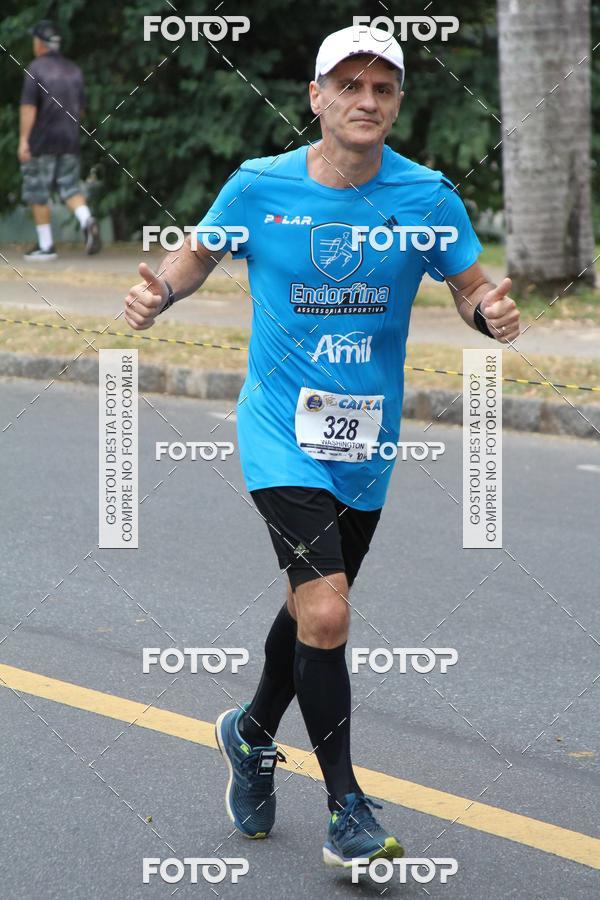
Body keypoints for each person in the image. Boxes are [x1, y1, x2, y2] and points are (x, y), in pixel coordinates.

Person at [124, 25, 520, 869]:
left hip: (366, 440)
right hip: (276, 431)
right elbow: (198, 255)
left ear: (397, 104)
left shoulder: (426, 196)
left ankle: (250, 733)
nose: (366, 101)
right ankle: (347, 810)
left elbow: (470, 285)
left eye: (383, 89)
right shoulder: (260, 186)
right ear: (317, 98)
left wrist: (489, 314)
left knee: (313, 612)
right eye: (350, 86)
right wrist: (160, 289)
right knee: (330, 608)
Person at [19, 20, 101, 261]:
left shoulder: (35, 69)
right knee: (70, 187)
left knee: (37, 190)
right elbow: (82, 110)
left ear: (40, 43)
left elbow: (28, 108)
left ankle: (46, 246)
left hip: (42, 140)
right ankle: (87, 219)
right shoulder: (74, 70)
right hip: (70, 139)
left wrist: (24, 140)